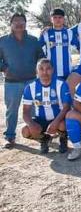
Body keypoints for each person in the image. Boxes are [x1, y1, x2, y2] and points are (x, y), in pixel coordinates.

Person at [0, 13, 44, 148]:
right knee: (12, 111)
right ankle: (10, 137)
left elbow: (41, 57)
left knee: (33, 110)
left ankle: (36, 134)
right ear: (11, 24)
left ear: (25, 24)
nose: (19, 23)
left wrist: (40, 70)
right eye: (16, 21)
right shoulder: (3, 41)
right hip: (12, 82)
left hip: (31, 82)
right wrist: (4, 68)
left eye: (22, 21)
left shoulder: (33, 40)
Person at [21, 59, 71, 153]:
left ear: (52, 70)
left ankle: (63, 138)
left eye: (48, 69)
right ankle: (44, 138)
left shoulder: (61, 84)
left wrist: (55, 122)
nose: (45, 72)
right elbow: (25, 112)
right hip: (41, 119)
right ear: (37, 71)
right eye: (41, 69)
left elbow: (66, 107)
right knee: (25, 131)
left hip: (58, 118)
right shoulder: (30, 87)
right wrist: (31, 124)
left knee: (63, 124)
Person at [39, 8, 74, 80]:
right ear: (51, 19)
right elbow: (37, 49)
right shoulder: (45, 33)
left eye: (60, 17)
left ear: (64, 19)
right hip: (51, 72)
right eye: (55, 17)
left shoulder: (69, 33)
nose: (58, 20)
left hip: (67, 72)